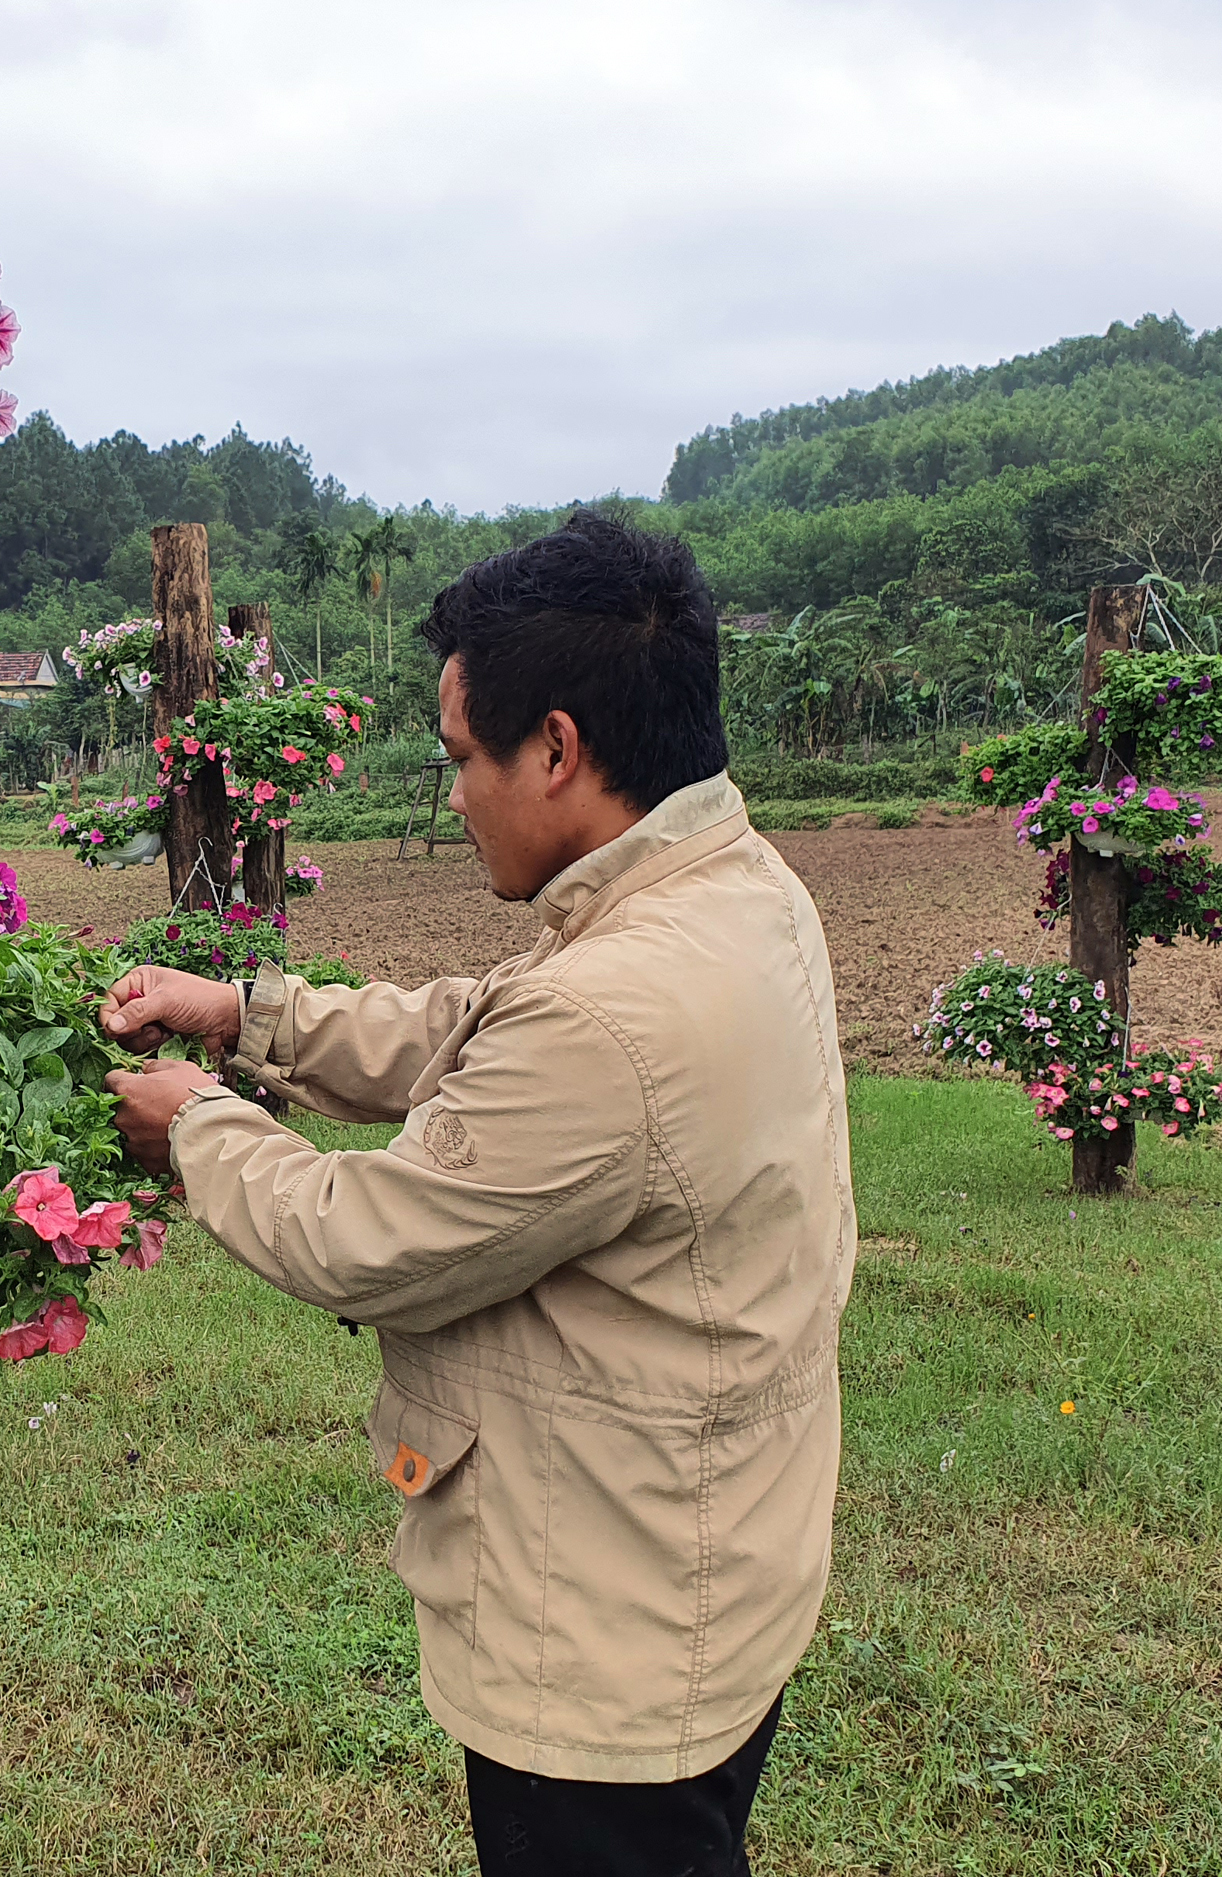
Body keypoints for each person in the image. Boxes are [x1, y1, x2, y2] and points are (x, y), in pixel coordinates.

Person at [100, 511, 854, 1876]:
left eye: (461, 759)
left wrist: (196, 1124)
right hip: (712, 1569)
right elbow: (486, 1024)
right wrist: (252, 1015)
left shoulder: (613, 1014)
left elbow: (364, 1237)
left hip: (602, 1650)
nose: (450, 797)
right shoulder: (728, 888)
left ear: (556, 748)